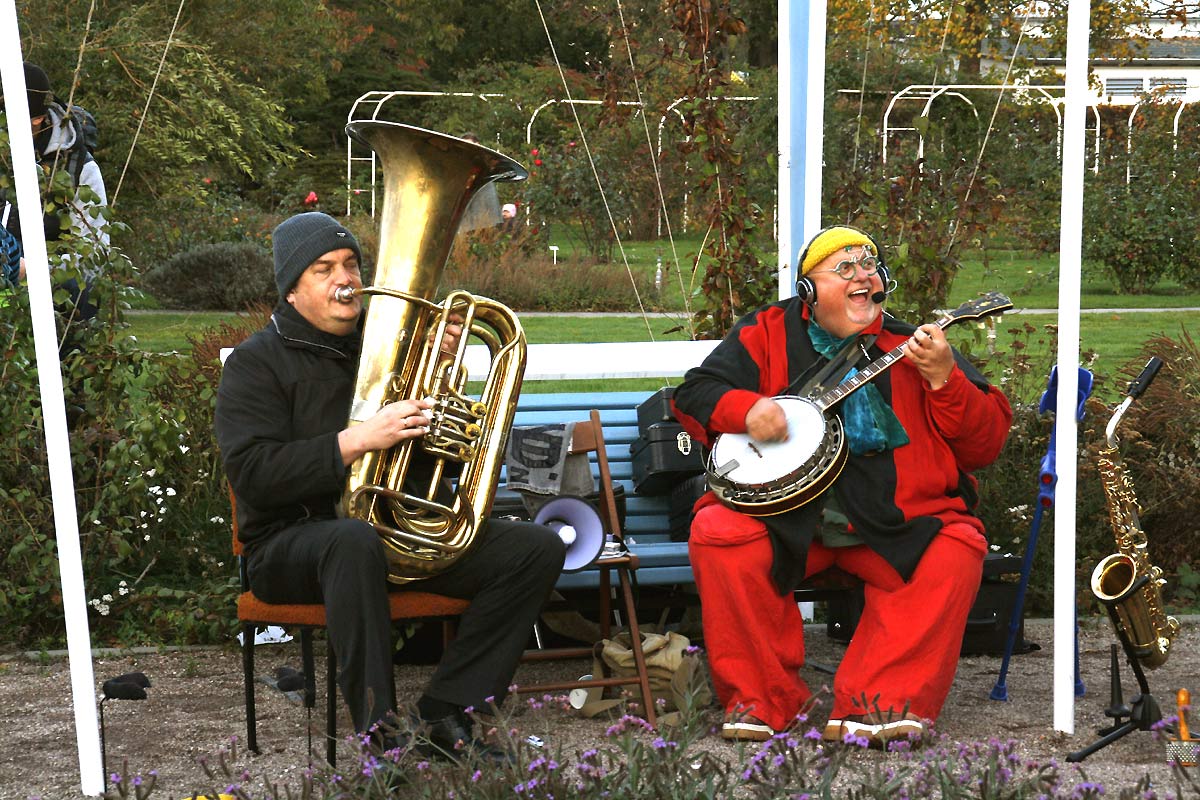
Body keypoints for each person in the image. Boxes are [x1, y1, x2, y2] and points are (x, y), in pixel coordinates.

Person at [215, 211, 565, 759]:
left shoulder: (394, 351)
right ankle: (383, 738)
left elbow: (426, 472)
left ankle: (448, 713)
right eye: (323, 269)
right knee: (350, 540)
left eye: (351, 264)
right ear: (291, 288)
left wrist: (441, 395)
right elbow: (254, 475)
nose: (345, 279)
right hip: (289, 546)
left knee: (534, 548)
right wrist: (355, 440)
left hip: (386, 536)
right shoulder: (256, 364)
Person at [671, 226, 1012, 748]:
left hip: (893, 521)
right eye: (845, 268)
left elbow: (983, 445)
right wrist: (746, 409)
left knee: (955, 548)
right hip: (784, 519)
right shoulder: (764, 332)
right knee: (718, 532)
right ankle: (765, 701)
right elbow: (695, 393)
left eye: (870, 266)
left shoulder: (913, 346)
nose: (863, 276)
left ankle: (879, 704)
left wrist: (947, 379)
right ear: (808, 289)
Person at [1, 62, 108, 320]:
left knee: (82, 291)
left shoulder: (79, 167)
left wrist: (33, 270)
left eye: (6, 118)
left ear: (37, 119)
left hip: (51, 286)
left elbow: (95, 255)